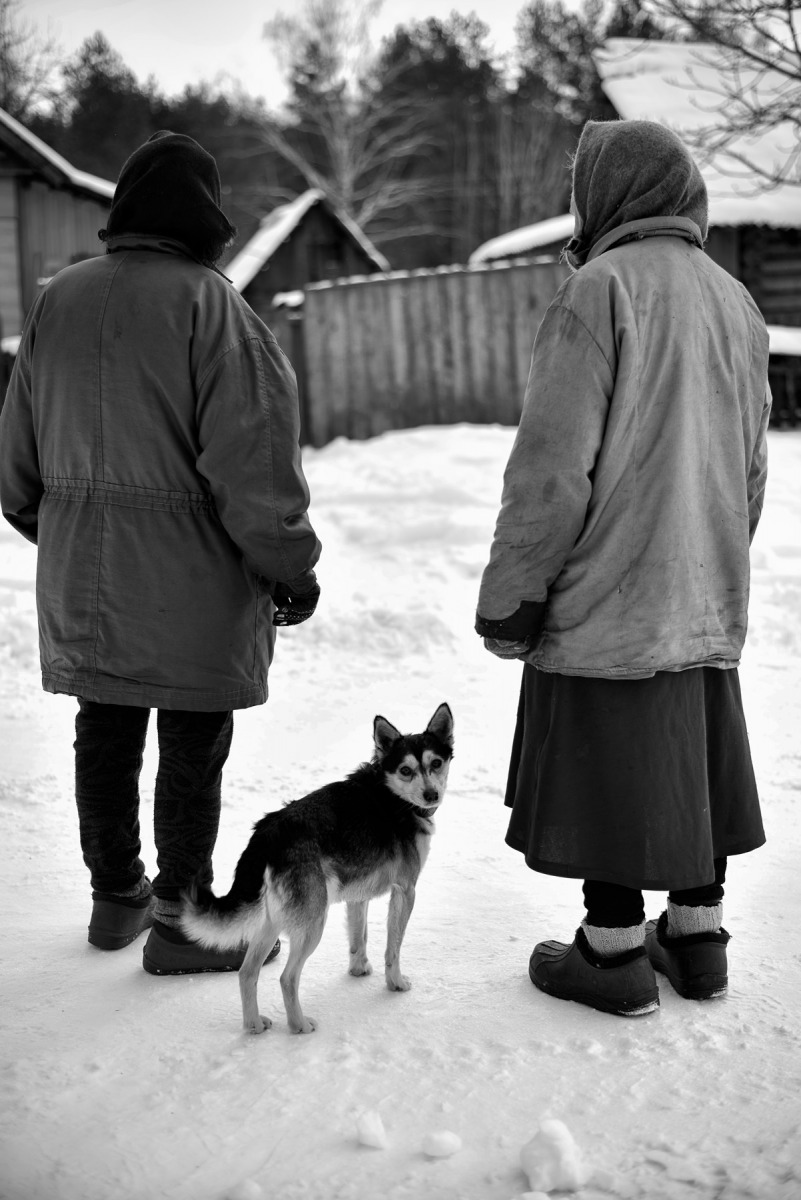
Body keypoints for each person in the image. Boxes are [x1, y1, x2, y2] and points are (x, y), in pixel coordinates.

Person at [0, 131, 322, 974]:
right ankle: (180, 926)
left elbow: (17, 469)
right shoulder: (215, 310)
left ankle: (116, 902)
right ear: (206, 214)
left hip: (84, 580)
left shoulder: (55, 300)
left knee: (102, 728)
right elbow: (254, 471)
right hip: (194, 581)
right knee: (190, 744)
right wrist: (290, 568)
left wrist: (69, 533)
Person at [475, 119, 771, 1017]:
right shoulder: (735, 300)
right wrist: (711, 558)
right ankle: (696, 939)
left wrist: (512, 598)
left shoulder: (597, 292)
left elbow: (550, 472)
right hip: (703, 586)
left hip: (608, 590)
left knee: (611, 757)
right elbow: (751, 468)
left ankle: (609, 955)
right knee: (690, 758)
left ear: (605, 193)